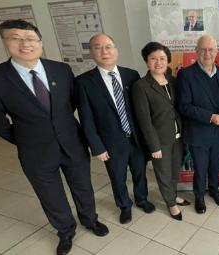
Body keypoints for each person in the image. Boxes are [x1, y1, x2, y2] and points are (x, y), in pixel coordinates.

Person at [0, 19, 108, 255]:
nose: (25, 44)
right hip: (34, 151)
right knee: (51, 195)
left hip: (72, 143)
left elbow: (71, 103)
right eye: (16, 38)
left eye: (30, 39)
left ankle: (90, 219)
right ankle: (66, 231)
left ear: (40, 42)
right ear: (6, 42)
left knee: (83, 187)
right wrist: (24, 138)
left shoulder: (61, 69)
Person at [76, 33, 155, 225]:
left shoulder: (131, 75)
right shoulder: (83, 82)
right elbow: (86, 119)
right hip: (110, 143)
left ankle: (142, 199)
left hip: (136, 138)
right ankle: (124, 206)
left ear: (116, 50)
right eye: (98, 47)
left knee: (140, 172)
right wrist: (97, 147)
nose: (104, 51)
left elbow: (141, 110)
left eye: (109, 46)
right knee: (117, 177)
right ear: (91, 52)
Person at [132, 42, 191, 221]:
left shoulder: (173, 81)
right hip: (160, 140)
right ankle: (170, 203)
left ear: (168, 60)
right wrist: (154, 146)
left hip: (178, 136)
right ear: (146, 61)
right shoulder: (141, 86)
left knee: (174, 171)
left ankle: (173, 195)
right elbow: (144, 120)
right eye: (153, 59)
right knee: (163, 173)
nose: (158, 62)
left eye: (162, 58)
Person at [177, 35, 219, 214]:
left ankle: (214, 190)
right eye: (203, 49)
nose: (207, 53)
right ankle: (199, 197)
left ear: (216, 52)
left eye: (211, 50)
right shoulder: (186, 74)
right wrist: (210, 117)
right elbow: (184, 106)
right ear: (196, 51)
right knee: (200, 168)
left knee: (216, 166)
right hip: (199, 132)